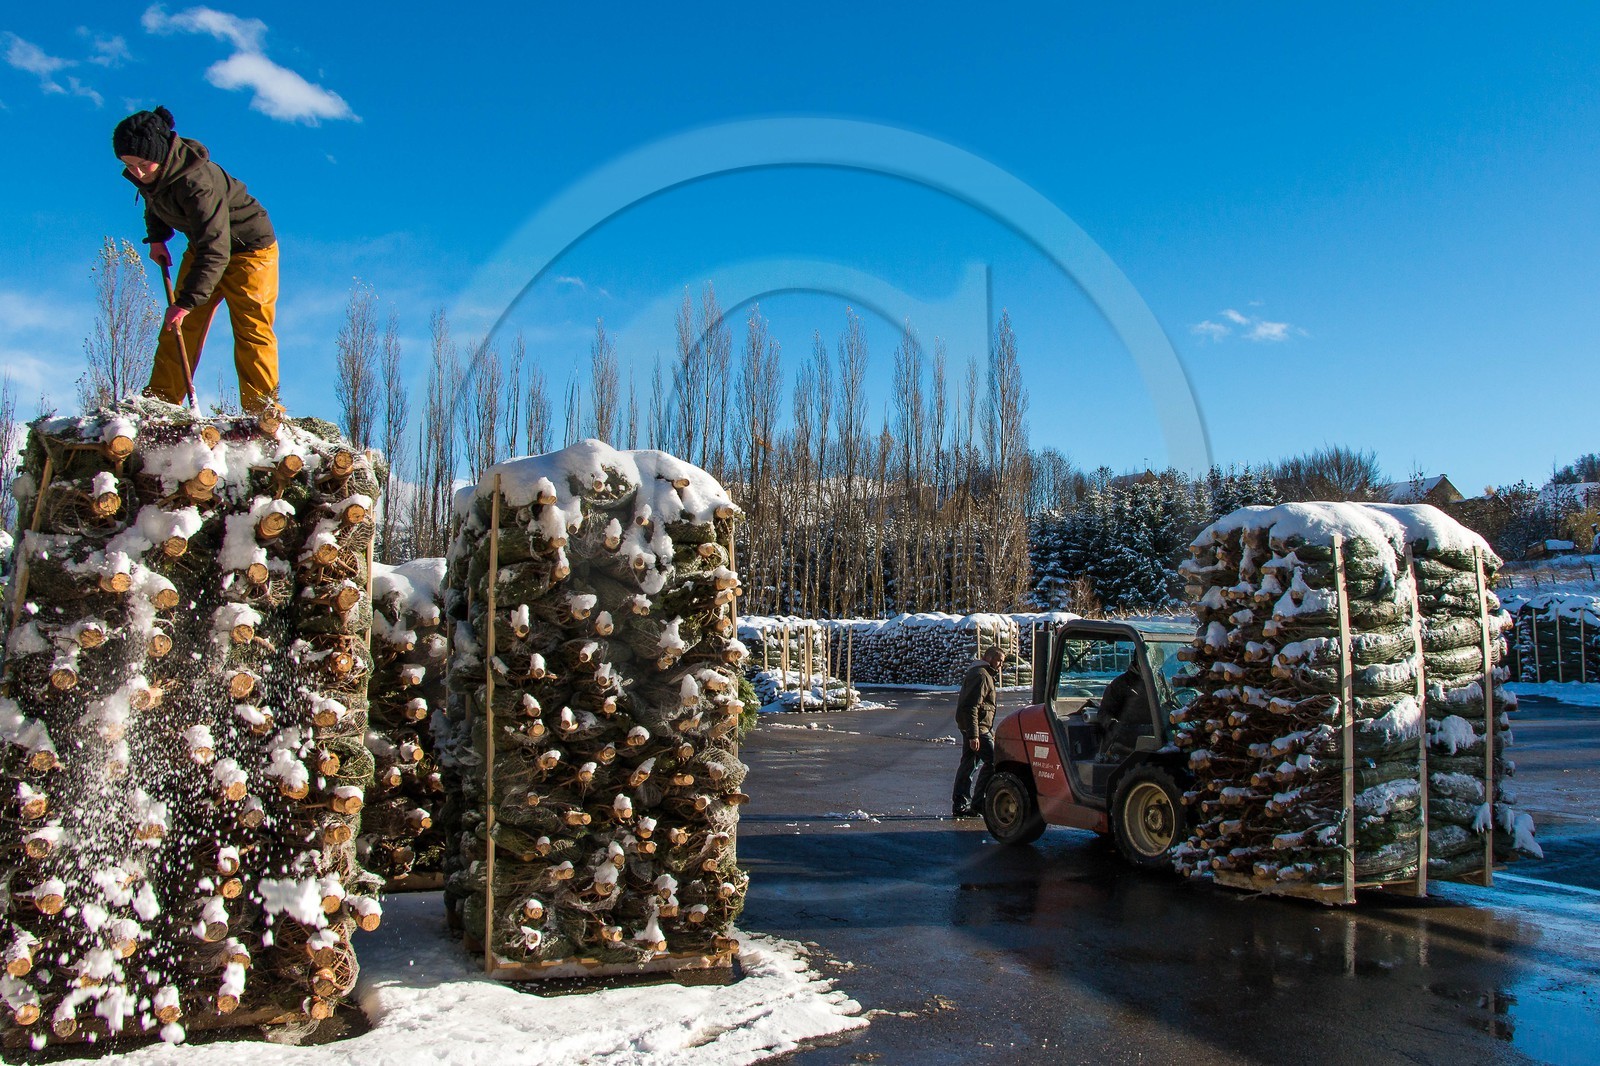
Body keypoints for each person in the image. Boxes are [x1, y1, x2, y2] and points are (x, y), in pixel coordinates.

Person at [113, 106, 280, 413]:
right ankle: (161, 404)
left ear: (160, 154)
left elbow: (216, 248)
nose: (137, 172)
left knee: (251, 330)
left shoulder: (196, 182)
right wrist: (157, 237)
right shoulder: (154, 173)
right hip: (206, 247)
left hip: (250, 250)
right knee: (178, 327)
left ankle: (262, 412)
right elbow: (156, 200)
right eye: (128, 165)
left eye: (141, 164)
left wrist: (186, 302)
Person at [951, 646, 1003, 818]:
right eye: (999, 660)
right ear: (989, 658)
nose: (1001, 664)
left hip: (977, 727)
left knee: (969, 764)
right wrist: (974, 734)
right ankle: (978, 803)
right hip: (977, 728)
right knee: (994, 762)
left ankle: (961, 803)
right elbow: (971, 707)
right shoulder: (981, 676)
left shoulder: (982, 674)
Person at [1095, 658, 1147, 762]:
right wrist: (1114, 724)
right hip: (1127, 737)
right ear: (1139, 664)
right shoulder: (1120, 684)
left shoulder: (1157, 683)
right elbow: (1103, 713)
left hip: (1153, 734)